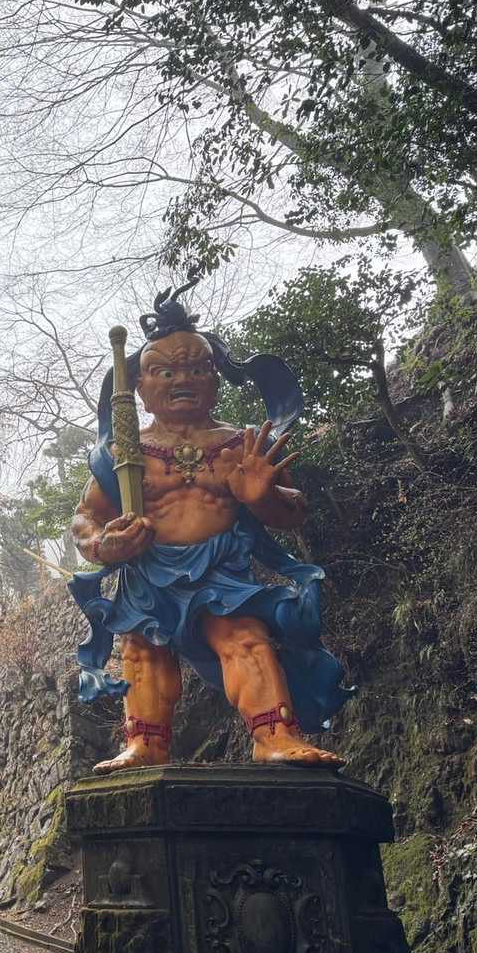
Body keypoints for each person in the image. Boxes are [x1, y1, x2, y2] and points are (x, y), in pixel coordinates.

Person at [69, 284, 350, 773]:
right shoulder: (124, 453)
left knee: (245, 639)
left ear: (216, 381)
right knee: (143, 652)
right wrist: (103, 543)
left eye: (198, 369)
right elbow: (83, 517)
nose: (184, 379)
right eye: (166, 371)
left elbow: (294, 513)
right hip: (149, 571)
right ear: (140, 387)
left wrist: (263, 497)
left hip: (222, 570)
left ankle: (275, 735)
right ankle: (144, 744)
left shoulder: (242, 444)